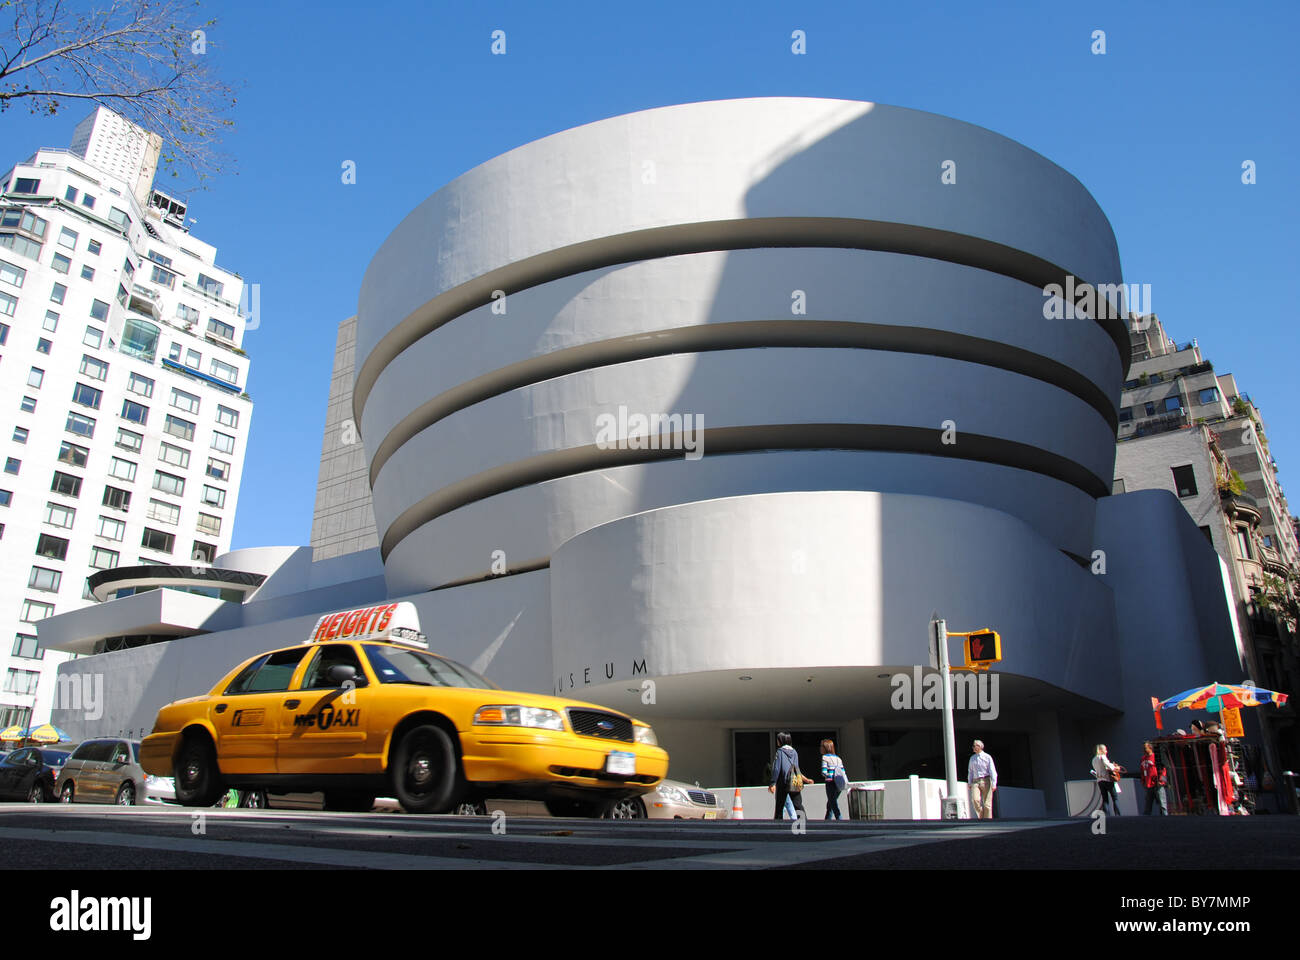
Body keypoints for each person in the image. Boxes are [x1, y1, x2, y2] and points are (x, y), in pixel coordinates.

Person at [768, 732, 807, 821]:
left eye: (778, 739)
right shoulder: (794, 752)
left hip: (783, 781)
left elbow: (776, 768)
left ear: (780, 741)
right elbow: (797, 767)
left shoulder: (780, 752)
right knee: (798, 804)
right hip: (794, 780)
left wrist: (773, 782)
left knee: (780, 805)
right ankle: (804, 822)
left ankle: (778, 824)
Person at [967, 740, 997, 819]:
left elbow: (992, 770)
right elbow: (970, 771)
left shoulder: (987, 757)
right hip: (975, 781)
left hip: (986, 780)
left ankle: (987, 820)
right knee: (975, 799)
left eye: (974, 746)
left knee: (987, 804)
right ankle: (981, 817)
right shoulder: (972, 758)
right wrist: (969, 782)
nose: (973, 747)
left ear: (979, 747)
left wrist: (994, 783)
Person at [821, 739, 847, 820]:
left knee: (833, 805)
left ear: (825, 748)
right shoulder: (838, 759)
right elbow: (843, 772)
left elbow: (824, 772)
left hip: (830, 783)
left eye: (821, 746)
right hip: (839, 784)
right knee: (830, 804)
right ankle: (827, 821)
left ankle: (840, 820)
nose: (820, 748)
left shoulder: (824, 757)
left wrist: (829, 776)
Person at [1139, 742, 1168, 816]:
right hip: (1148, 784)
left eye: (1145, 748)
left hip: (1157, 783)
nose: (1144, 750)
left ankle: (1165, 818)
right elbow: (1142, 771)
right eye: (1143, 748)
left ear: (1150, 748)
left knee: (1162, 804)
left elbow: (1163, 770)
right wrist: (1142, 781)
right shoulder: (1143, 759)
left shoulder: (1156, 757)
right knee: (1148, 805)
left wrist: (1162, 781)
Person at [1093, 744, 1123, 815]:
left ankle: (1106, 814)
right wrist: (1116, 767)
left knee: (1105, 799)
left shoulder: (1094, 759)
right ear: (1101, 750)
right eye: (1105, 749)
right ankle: (1118, 814)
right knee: (1114, 797)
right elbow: (1108, 765)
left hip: (1100, 780)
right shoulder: (1102, 757)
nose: (1106, 751)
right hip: (1107, 779)